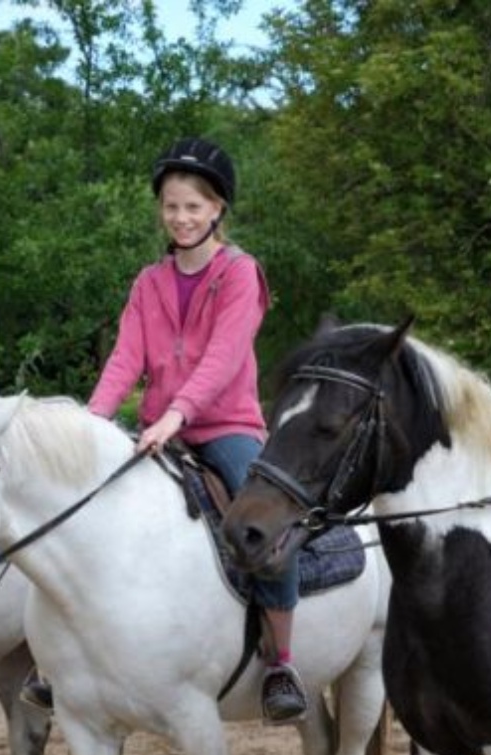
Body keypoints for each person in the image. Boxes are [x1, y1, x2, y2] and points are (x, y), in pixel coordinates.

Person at [82, 136, 307, 725]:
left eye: (194, 206)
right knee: (94, 513)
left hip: (225, 425)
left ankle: (281, 660)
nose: (181, 217)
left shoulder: (240, 275)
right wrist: (90, 425)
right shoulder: (148, 282)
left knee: (268, 528)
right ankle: (81, 653)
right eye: (171, 206)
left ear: (218, 210)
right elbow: (126, 358)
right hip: (161, 427)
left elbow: (224, 360)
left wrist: (175, 416)